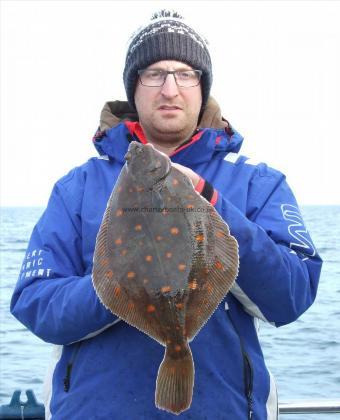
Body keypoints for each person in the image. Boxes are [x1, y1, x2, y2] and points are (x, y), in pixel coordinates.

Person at [11, 10, 322, 420]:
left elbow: (291, 295)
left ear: (202, 85)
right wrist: (123, 285)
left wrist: (210, 201)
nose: (170, 88)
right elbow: (36, 303)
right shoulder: (77, 188)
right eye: (154, 73)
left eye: (185, 73)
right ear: (134, 88)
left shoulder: (256, 183)